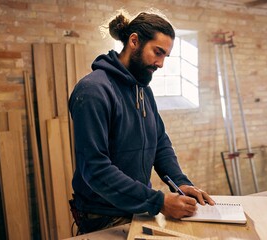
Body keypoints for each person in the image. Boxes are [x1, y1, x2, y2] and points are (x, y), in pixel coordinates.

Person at [68, 10, 214, 235]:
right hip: (103, 215)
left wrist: (179, 183)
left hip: (138, 207)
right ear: (134, 41)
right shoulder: (93, 91)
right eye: (158, 52)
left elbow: (160, 143)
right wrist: (159, 202)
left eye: (166, 56)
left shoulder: (143, 90)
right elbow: (95, 169)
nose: (161, 63)